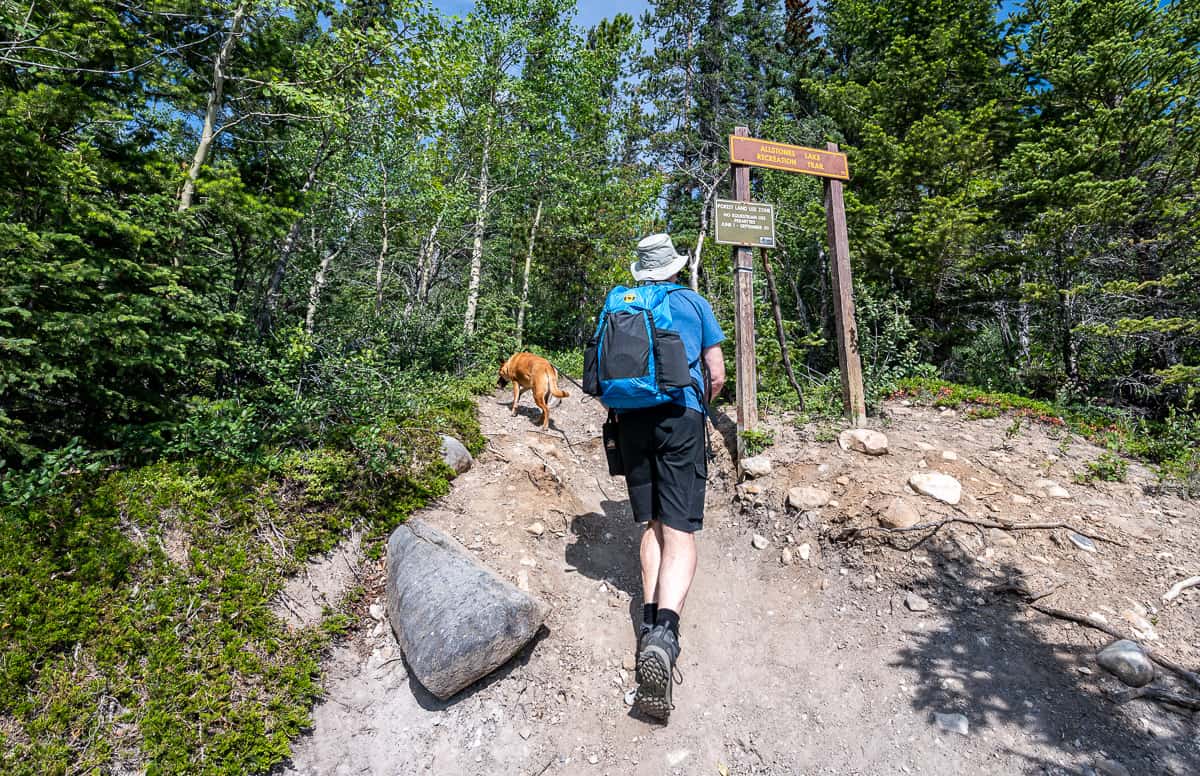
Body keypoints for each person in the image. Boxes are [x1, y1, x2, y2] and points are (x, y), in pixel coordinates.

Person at [617, 232, 725, 720]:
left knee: (652, 526)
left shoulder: (622, 302)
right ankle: (665, 633)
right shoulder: (694, 303)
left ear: (643, 272)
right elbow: (717, 372)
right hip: (680, 416)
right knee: (680, 527)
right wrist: (701, 406)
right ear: (676, 267)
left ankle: (646, 624)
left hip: (631, 419)